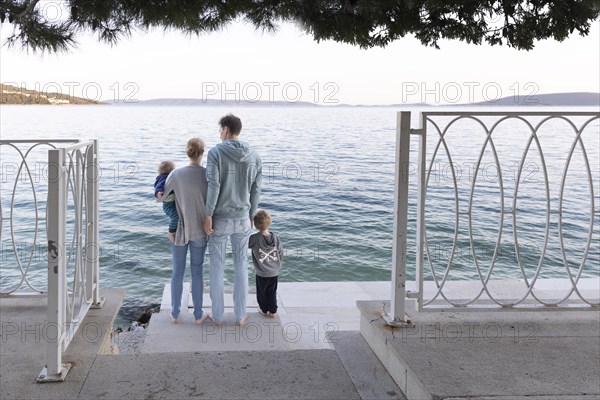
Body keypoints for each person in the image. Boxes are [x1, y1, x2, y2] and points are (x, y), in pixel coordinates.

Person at [204, 114, 262, 326]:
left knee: (217, 268)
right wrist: (251, 216)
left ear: (226, 130)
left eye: (220, 130)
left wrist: (208, 215)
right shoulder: (254, 155)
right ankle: (240, 316)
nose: (219, 134)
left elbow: (214, 186)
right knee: (241, 267)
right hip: (243, 219)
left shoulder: (215, 153)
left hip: (220, 219)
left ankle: (218, 316)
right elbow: (256, 190)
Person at [157, 138, 209, 325]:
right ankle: (197, 315)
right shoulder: (207, 175)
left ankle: (175, 313)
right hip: (200, 231)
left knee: (177, 272)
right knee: (197, 272)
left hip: (178, 230)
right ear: (203, 152)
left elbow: (161, 199)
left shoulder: (176, 174)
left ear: (187, 152)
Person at [249, 210, 283, 318]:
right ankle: (273, 311)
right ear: (270, 222)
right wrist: (278, 265)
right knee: (272, 292)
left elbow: (246, 245)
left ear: (255, 225)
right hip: (274, 271)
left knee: (262, 293)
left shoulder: (254, 238)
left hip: (262, 273)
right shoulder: (275, 237)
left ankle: (263, 310)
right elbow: (280, 252)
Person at [154, 160, 178, 242]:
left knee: (177, 216)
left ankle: (175, 229)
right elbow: (158, 186)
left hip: (171, 202)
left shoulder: (167, 177)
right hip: (168, 204)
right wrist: (158, 192)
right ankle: (171, 232)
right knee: (175, 217)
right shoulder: (164, 177)